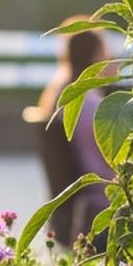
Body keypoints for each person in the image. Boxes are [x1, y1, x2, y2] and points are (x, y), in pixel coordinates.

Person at [34, 22, 115, 248]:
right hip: (99, 213)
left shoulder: (58, 96)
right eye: (106, 54)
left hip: (71, 213)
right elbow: (107, 166)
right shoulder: (91, 105)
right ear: (95, 58)